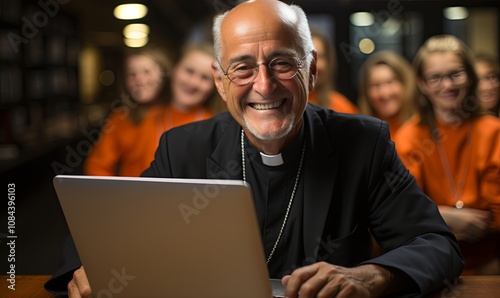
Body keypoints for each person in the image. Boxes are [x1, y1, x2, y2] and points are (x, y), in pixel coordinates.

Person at [46, 1, 464, 297]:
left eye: (283, 63)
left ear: (312, 69)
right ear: (220, 80)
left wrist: (372, 278)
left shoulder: (363, 142)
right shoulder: (183, 148)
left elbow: (437, 243)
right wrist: (87, 267)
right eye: (243, 67)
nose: (264, 86)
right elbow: (102, 230)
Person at [394, 34, 500, 275]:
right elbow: (402, 210)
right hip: (430, 264)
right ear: (422, 83)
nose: (448, 86)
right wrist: (448, 216)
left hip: (491, 260)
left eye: (456, 74)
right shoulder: (409, 136)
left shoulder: (493, 130)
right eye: (435, 77)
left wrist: (436, 214)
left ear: (470, 76)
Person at [83, 43, 221, 176]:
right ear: (173, 70)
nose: (193, 82)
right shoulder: (141, 116)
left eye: (205, 77)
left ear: (215, 85)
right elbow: (97, 166)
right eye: (189, 71)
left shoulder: (218, 128)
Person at [357, 50, 416, 138]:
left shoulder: (422, 127)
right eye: (376, 85)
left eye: (390, 82)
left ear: (405, 83)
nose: (384, 93)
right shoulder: (360, 132)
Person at [308, 26, 359, 114]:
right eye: (308, 57)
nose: (314, 65)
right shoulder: (282, 107)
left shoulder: (342, 108)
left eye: (320, 56)